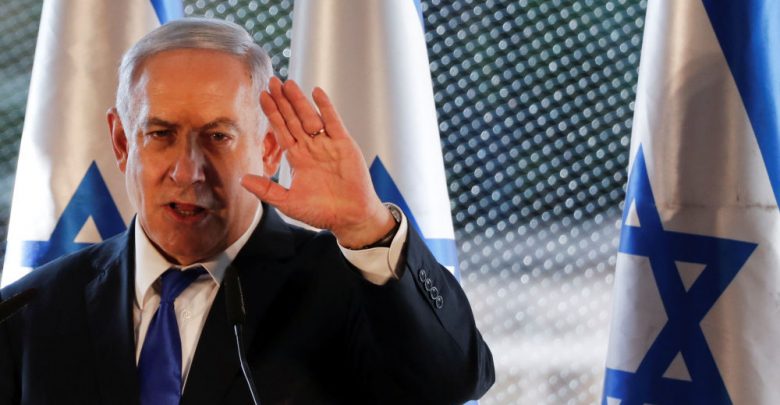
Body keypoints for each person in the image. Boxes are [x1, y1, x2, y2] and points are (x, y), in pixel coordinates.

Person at [0, 18, 494, 404]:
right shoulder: (31, 311)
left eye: (218, 136)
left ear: (270, 147)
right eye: (161, 134)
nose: (188, 171)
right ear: (122, 142)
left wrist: (367, 226)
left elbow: (452, 382)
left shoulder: (350, 288)